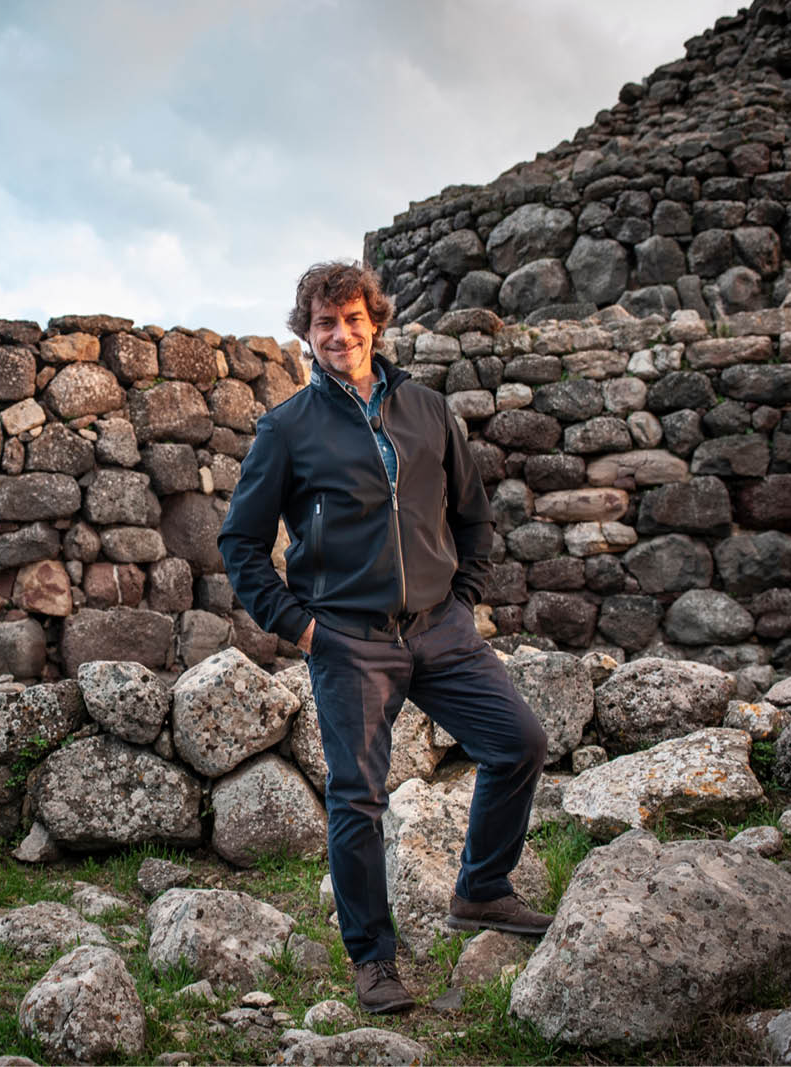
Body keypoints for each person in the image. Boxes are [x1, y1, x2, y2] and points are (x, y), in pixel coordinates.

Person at [218, 260, 551, 1015]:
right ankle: (373, 958)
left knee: (518, 742)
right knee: (356, 799)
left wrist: (463, 598)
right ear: (305, 333)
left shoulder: (429, 410)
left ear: (376, 321)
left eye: (352, 318)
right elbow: (240, 542)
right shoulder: (287, 428)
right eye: (324, 323)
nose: (340, 334)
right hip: (349, 639)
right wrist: (300, 626)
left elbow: (472, 515)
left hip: (440, 628)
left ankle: (483, 890)